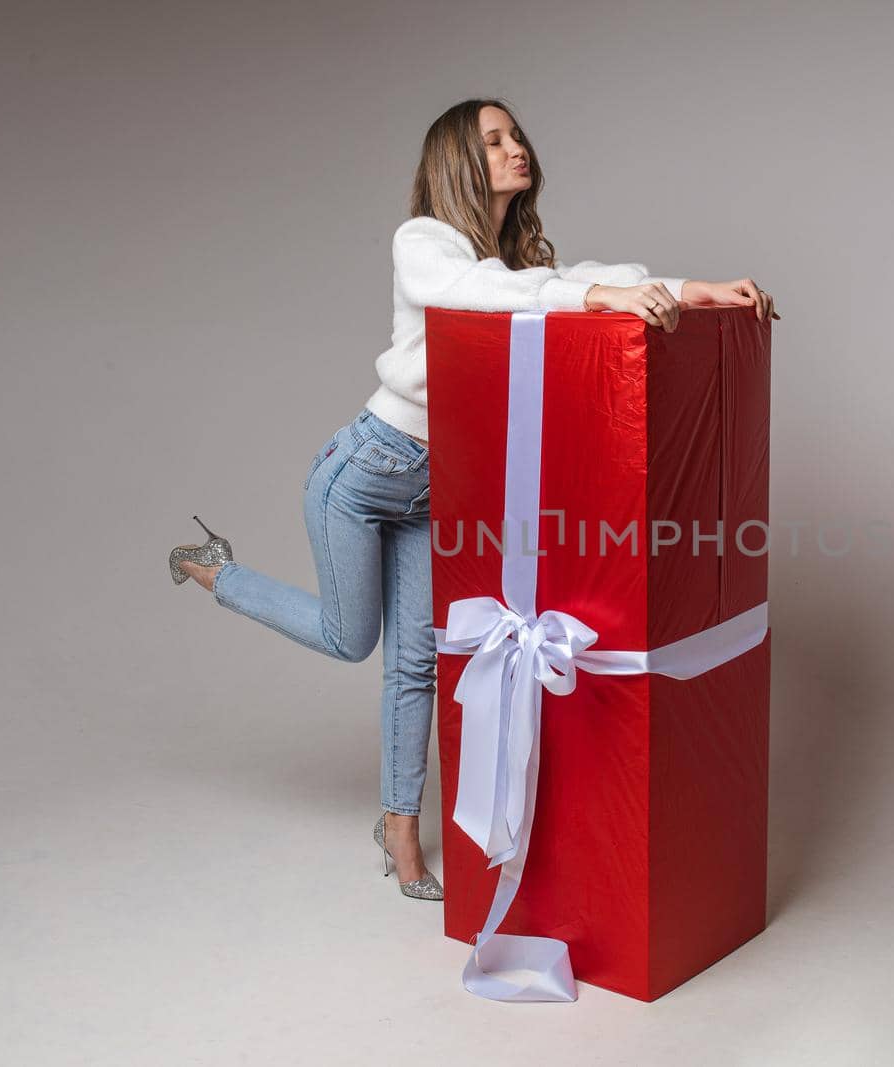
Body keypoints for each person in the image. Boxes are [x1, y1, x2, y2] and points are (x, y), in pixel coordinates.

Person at [165, 97, 778, 902]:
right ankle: (216, 571)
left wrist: (694, 289)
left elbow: (577, 279)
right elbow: (475, 293)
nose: (516, 148)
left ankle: (397, 832)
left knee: (418, 659)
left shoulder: (514, 259)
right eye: (495, 140)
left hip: (435, 488)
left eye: (517, 135)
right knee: (353, 641)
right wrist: (589, 300)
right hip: (360, 476)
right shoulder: (423, 243)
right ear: (459, 160)